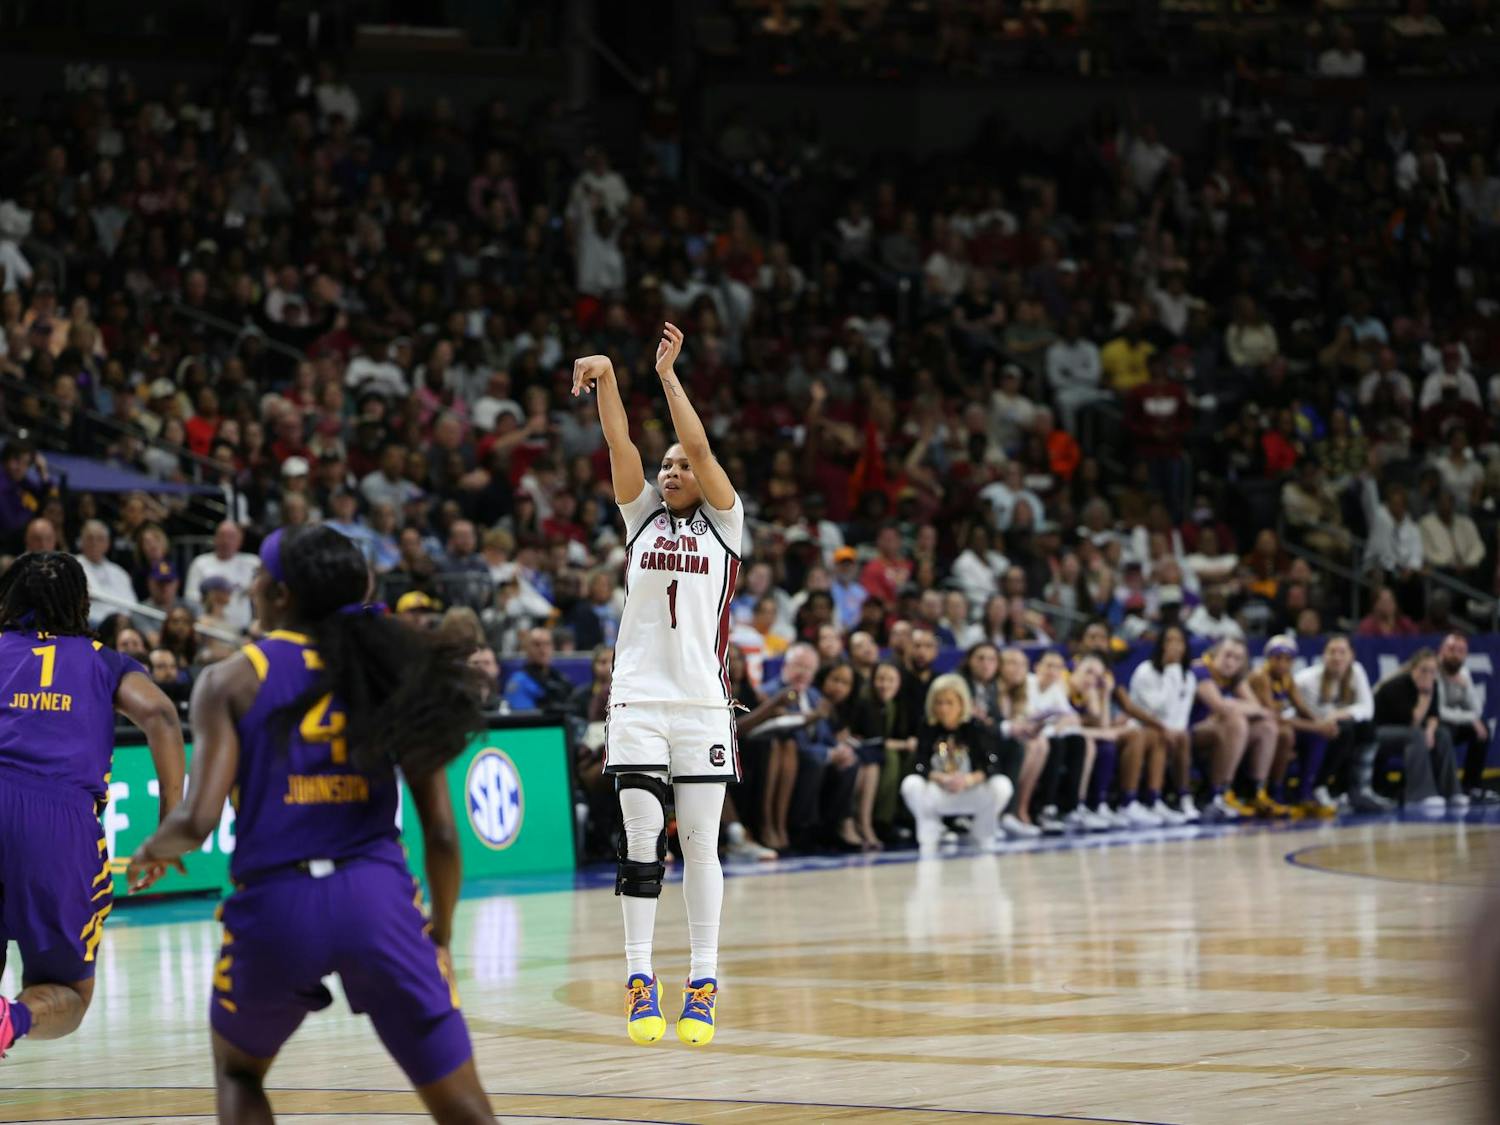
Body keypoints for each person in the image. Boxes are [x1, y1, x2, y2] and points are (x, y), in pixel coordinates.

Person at [126, 526, 495, 1122]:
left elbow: (197, 822)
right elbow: (445, 837)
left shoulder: (229, 679)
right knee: (464, 1110)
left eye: (260, 573)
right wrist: (442, 936)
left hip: (277, 903)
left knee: (239, 1071)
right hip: (378, 901)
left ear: (280, 594)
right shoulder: (388, 666)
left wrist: (150, 850)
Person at [572, 322, 741, 1048]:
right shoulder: (641, 519)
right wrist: (610, 377)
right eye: (666, 465)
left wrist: (668, 377)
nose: (671, 470)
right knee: (641, 836)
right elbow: (622, 448)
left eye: (680, 465)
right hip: (638, 701)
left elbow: (700, 446)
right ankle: (640, 975)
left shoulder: (729, 526)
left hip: (703, 704)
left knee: (699, 842)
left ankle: (703, 979)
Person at [0, 552, 186, 1058]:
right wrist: (169, 829)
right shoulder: (104, 661)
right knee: (70, 993)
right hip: (57, 821)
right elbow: (164, 718)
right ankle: (13, 1019)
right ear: (81, 604)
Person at [899, 675, 1015, 853]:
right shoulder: (927, 727)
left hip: (970, 789)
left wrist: (969, 779)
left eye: (949, 703)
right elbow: (919, 764)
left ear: (962, 703)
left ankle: (982, 831)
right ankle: (932, 830)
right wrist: (940, 778)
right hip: (940, 789)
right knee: (911, 784)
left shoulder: (976, 728)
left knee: (1002, 785)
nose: (943, 709)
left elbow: (992, 763)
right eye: (939, 703)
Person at [1292, 635, 1391, 814]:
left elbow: (1367, 709)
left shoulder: (1356, 671)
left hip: (1334, 728)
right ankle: (1319, 787)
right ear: (1324, 656)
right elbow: (1287, 711)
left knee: (1365, 728)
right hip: (1310, 731)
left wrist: (1337, 714)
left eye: (1342, 652)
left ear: (1352, 655)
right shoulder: (1305, 679)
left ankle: (1358, 789)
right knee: (1344, 731)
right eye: (1332, 652)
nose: (1337, 657)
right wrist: (1318, 723)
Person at [1372, 649, 1466, 810]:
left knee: (1442, 734)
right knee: (1415, 735)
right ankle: (1419, 796)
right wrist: (1425, 695)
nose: (1428, 675)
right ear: (1413, 668)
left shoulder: (1432, 683)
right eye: (1424, 670)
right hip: (1379, 732)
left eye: (1432, 671)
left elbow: (1434, 716)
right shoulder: (1396, 686)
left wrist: (1430, 732)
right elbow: (1413, 720)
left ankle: (1451, 792)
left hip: (1408, 732)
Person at [1125, 625, 1200, 825]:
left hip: (1168, 730)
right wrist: (1171, 671)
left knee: (1181, 736)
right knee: (1160, 735)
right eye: (1169, 641)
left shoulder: (1189, 677)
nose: (1174, 646)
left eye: (1179, 641)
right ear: (1160, 645)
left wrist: (1172, 730)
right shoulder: (1145, 671)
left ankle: (1183, 797)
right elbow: (1159, 709)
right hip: (1141, 728)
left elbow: (1180, 715)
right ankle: (1150, 799)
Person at [1435, 632, 1493, 799]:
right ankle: (1446, 787)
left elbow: (1477, 710)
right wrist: (1470, 718)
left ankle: (1471, 785)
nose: (1455, 655)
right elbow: (1439, 711)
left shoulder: (1464, 673)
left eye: (1461, 651)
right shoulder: (1433, 670)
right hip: (1433, 724)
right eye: (1451, 649)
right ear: (1441, 650)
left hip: (1453, 722)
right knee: (1446, 731)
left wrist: (1466, 687)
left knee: (1482, 731)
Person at [184, 521, 260, 632]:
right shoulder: (200, 563)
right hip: (211, 630)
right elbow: (191, 599)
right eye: (222, 536)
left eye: (231, 537)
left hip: (243, 629)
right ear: (215, 538)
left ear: (240, 540)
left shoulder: (253, 563)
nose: (226, 541)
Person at [74, 520, 136, 628]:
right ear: (81, 541)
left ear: (107, 543)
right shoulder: (71, 566)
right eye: (90, 538)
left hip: (119, 626)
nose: (94, 543)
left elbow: (131, 607)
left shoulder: (120, 573)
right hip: (88, 624)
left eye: (99, 539)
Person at [501, 627, 573, 713]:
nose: (543, 650)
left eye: (547, 644)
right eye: (537, 644)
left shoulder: (560, 678)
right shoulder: (518, 681)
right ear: (526, 648)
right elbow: (522, 717)